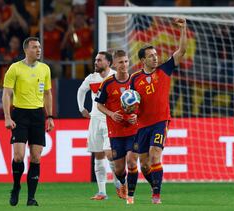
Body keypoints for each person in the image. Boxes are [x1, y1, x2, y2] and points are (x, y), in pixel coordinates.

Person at [130, 18, 187, 204]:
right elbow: (131, 103)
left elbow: (182, 51)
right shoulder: (134, 79)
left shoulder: (165, 69)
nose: (155, 57)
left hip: (161, 121)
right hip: (142, 125)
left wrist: (183, 28)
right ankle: (155, 183)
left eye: (156, 54)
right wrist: (130, 111)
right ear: (142, 60)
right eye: (151, 56)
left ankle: (156, 195)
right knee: (145, 165)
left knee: (155, 154)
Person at [2, 37, 54, 206]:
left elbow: (47, 94)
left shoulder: (45, 69)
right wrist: (8, 117)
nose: (38, 50)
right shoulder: (15, 68)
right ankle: (16, 186)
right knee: (18, 156)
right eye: (34, 47)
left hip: (38, 115)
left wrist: (50, 117)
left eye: (39, 47)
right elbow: (7, 94)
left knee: (36, 158)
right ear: (26, 50)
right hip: (20, 115)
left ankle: (31, 197)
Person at [77, 51, 122, 200]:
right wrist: (81, 108)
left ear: (108, 63)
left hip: (110, 119)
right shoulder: (91, 78)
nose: (96, 62)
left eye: (99, 60)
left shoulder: (116, 76)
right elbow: (81, 91)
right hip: (95, 119)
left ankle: (118, 184)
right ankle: (102, 192)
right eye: (95, 60)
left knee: (110, 154)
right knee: (98, 154)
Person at [96, 50, 139, 204]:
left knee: (132, 162)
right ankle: (122, 183)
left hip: (133, 130)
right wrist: (111, 114)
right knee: (120, 169)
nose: (124, 65)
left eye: (126, 61)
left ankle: (131, 195)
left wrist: (137, 115)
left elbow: (143, 103)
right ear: (114, 64)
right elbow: (99, 104)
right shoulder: (107, 83)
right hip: (115, 132)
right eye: (120, 62)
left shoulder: (135, 81)